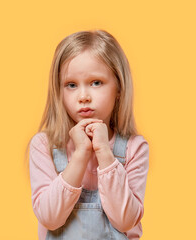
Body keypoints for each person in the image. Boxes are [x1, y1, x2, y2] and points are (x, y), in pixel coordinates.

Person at [28, 29, 149, 240]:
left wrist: (104, 152)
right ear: (59, 91)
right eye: (71, 85)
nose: (83, 96)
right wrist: (81, 154)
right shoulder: (44, 146)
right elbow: (50, 217)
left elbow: (126, 220)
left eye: (96, 82)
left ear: (119, 87)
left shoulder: (134, 148)